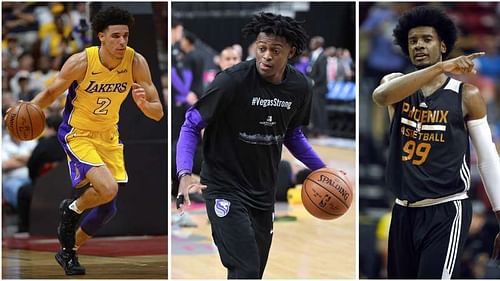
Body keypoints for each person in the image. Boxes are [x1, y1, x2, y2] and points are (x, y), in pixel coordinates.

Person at [176, 12, 326, 279]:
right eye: (262, 48)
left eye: (275, 50)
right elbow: (190, 125)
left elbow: (293, 135)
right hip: (224, 187)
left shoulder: (300, 87)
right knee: (244, 268)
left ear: (290, 52)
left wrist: (324, 171)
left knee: (254, 272)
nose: (266, 55)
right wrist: (184, 174)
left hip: (262, 193)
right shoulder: (231, 81)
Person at [27, 6, 164, 275]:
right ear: (101, 36)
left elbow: (158, 112)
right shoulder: (82, 61)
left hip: (108, 136)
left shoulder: (136, 62)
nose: (122, 42)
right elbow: (52, 91)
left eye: (125, 35)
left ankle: (68, 250)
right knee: (108, 188)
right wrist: (28, 106)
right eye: (115, 36)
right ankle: (71, 211)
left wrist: (143, 105)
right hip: (78, 133)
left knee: (107, 209)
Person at [372, 6, 500, 279]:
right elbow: (381, 97)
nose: (418, 45)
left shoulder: (466, 94)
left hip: (447, 209)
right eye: (412, 41)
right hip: (403, 210)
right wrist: (441, 67)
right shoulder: (394, 84)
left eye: (426, 39)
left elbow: (488, 159)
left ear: (443, 45)